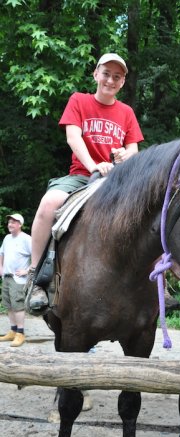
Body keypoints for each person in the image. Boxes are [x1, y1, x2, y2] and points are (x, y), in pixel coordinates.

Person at [25, 53, 144, 313]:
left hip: (117, 180)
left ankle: (156, 283)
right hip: (81, 175)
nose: (110, 80)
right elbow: (73, 137)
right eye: (106, 74)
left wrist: (125, 155)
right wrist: (93, 166)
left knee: (150, 208)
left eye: (117, 77)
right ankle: (35, 278)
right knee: (49, 203)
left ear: (122, 83)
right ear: (96, 74)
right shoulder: (79, 100)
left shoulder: (126, 112)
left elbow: (133, 148)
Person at [0, 214, 31, 347]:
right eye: (9, 222)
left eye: (13, 222)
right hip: (6, 277)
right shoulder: (7, 238)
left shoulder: (26, 239)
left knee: (18, 306)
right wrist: (1, 268)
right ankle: (13, 331)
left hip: (18, 279)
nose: (10, 224)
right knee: (9, 305)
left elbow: (38, 255)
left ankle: (20, 333)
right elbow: (1, 253)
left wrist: (28, 270)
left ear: (20, 224)